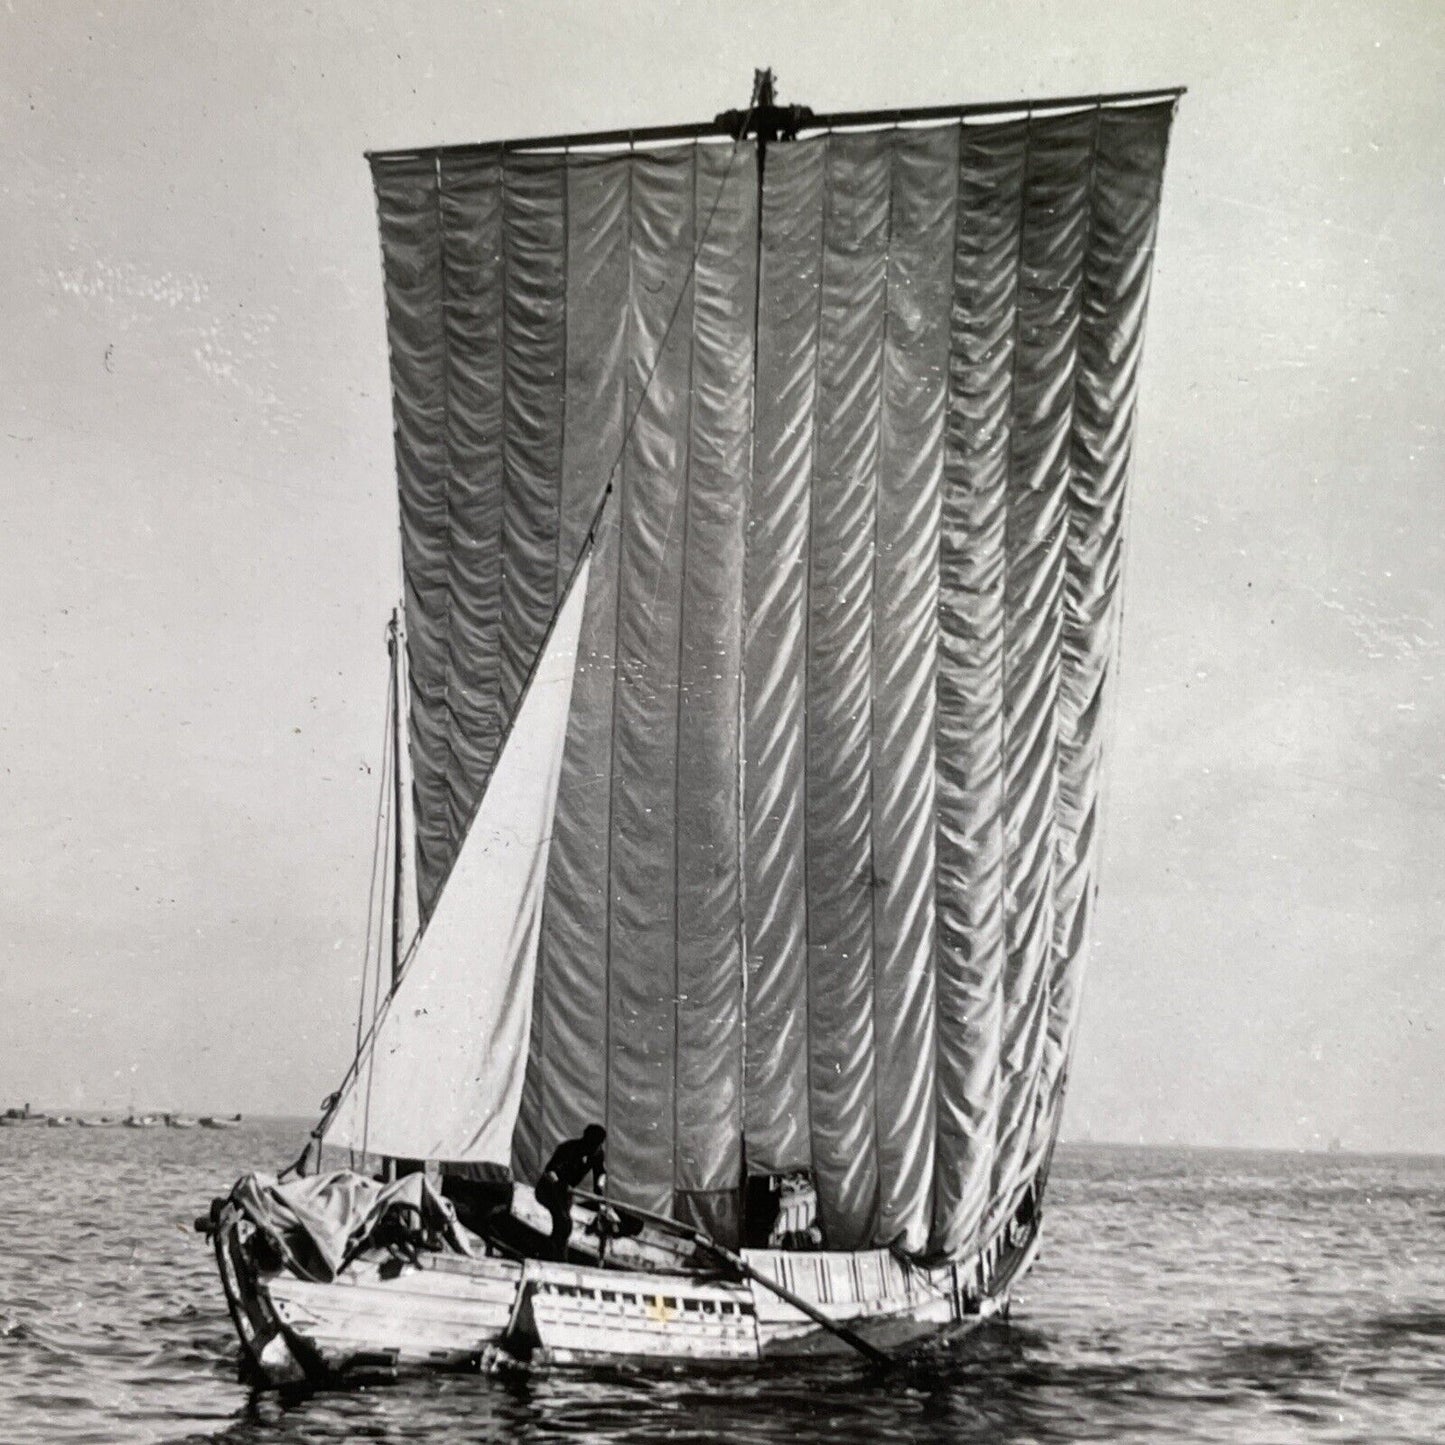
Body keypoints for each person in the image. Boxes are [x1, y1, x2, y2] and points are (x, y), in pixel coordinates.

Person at [534, 1124, 606, 1261]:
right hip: (548, 1189)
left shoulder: (597, 1153)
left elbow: (600, 1175)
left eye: (598, 1145)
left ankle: (556, 1256)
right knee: (563, 1222)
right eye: (592, 1144)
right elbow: (550, 1172)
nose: (595, 1148)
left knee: (564, 1225)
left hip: (565, 1193)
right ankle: (554, 1257)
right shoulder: (568, 1148)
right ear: (585, 1139)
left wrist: (600, 1198)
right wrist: (560, 1184)